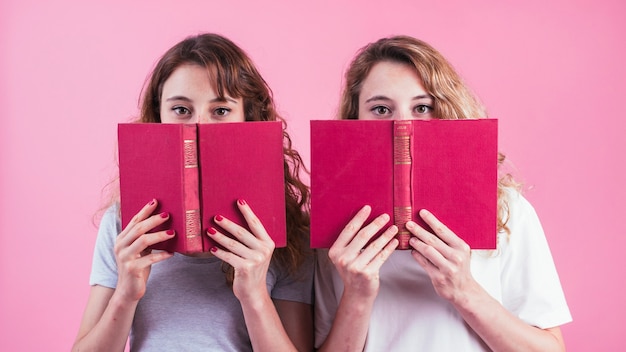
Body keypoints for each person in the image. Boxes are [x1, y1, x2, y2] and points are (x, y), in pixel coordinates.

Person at [314, 35, 572, 351]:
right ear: (355, 120)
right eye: (381, 109)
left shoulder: (507, 210)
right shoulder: (332, 228)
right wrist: (356, 295)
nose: (403, 125)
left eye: (422, 107)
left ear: (445, 111)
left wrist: (463, 289)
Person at [72, 33, 313, 352]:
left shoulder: (286, 233)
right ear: (158, 117)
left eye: (221, 111)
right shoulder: (124, 225)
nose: (200, 127)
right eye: (182, 110)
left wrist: (254, 295)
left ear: (248, 117)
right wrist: (126, 294)